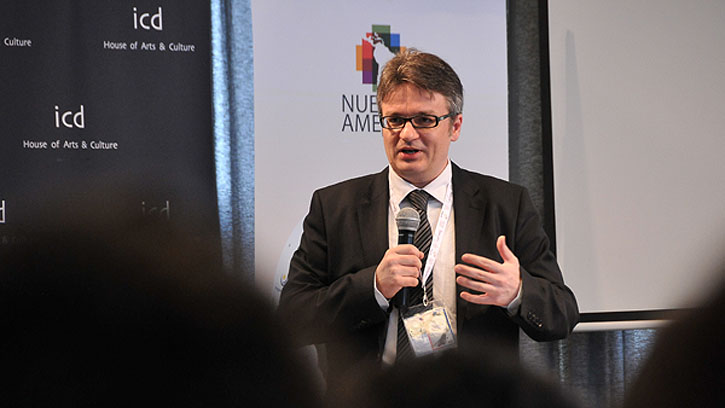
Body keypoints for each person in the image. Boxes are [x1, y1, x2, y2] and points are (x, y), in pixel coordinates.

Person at [278, 49, 579, 392]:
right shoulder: (334, 207)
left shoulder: (505, 205)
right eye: (395, 120)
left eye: (424, 120)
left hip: (470, 398)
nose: (407, 134)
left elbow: (563, 314)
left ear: (455, 126)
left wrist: (518, 291)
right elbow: (293, 317)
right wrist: (372, 287)